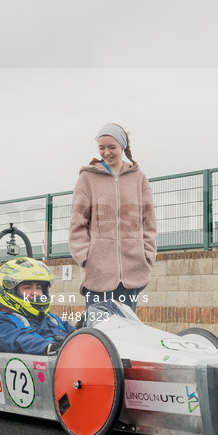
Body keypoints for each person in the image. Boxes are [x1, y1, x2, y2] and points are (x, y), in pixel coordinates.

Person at [69, 123, 157, 311]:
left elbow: (149, 221)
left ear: (122, 147)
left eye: (112, 147)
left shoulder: (139, 178)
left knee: (126, 332)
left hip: (132, 271)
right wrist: (85, 256)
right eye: (102, 148)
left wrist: (147, 255)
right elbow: (77, 223)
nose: (106, 152)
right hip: (97, 273)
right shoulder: (87, 178)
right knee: (99, 331)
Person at [0, 257, 75, 355]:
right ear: (10, 290)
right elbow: (20, 340)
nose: (36, 293)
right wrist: (50, 347)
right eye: (27, 287)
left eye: (38, 287)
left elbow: (77, 336)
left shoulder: (52, 319)